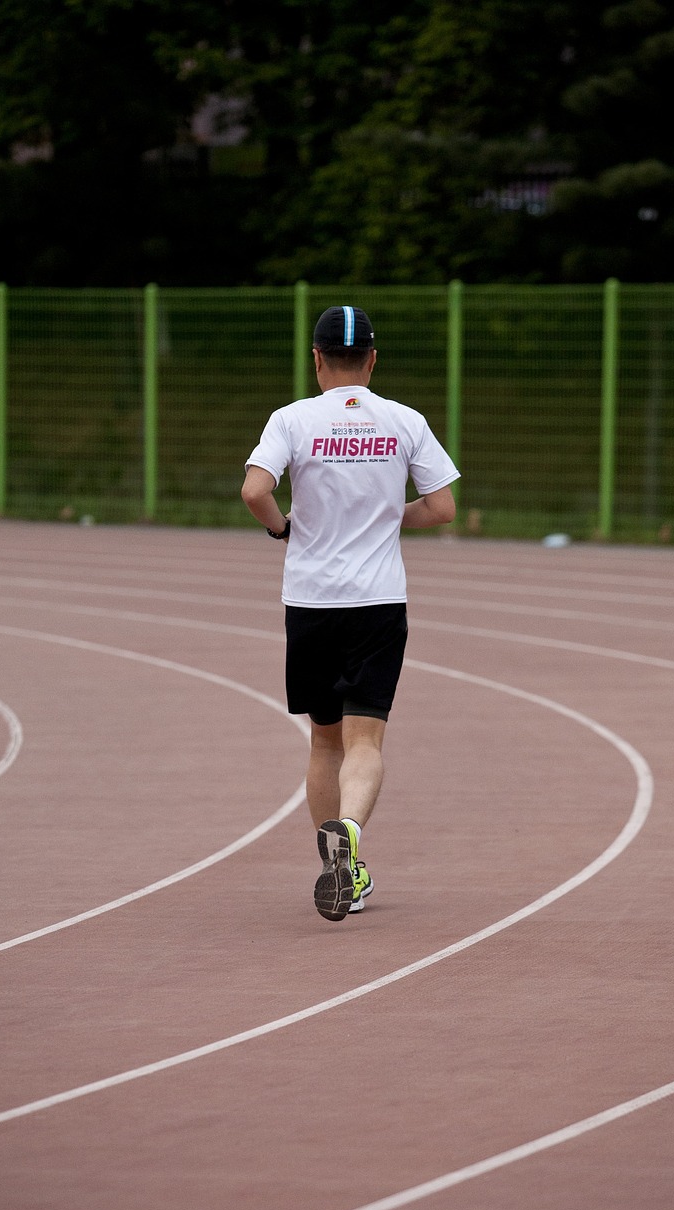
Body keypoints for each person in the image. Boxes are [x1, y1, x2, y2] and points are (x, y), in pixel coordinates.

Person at [242, 305, 459, 922]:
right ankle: (353, 836)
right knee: (367, 738)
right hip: (377, 601)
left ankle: (337, 867)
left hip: (311, 599)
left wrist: (282, 526)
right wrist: (393, 518)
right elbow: (441, 507)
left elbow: (255, 490)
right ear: (371, 360)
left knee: (323, 739)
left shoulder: (291, 420)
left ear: (315, 360)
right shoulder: (404, 420)